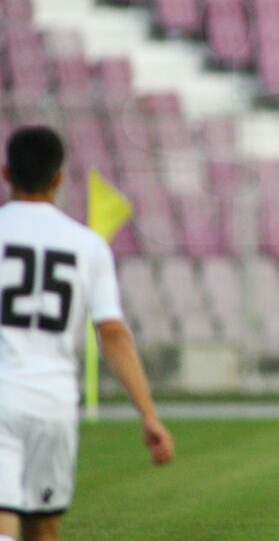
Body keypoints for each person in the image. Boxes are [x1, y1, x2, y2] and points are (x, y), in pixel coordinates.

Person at [0, 126, 174, 541]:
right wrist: (148, 414)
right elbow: (112, 334)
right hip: (54, 402)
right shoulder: (86, 245)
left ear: (6, 173)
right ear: (59, 178)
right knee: (44, 526)